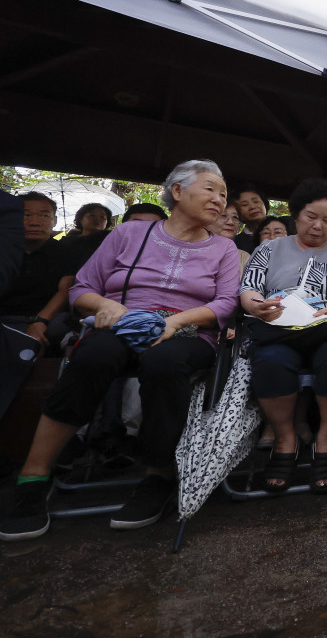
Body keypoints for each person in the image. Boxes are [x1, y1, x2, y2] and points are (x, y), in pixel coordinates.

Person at [0, 160, 240, 541]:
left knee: (165, 362)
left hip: (187, 333)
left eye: (224, 194)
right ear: (177, 191)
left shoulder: (223, 249)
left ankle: (157, 476)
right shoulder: (129, 233)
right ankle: (33, 476)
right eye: (210, 189)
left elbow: (227, 303)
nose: (219, 199)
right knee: (93, 356)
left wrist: (176, 322)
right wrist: (104, 306)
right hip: (121, 322)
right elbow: (82, 287)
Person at [240, 179, 327, 493]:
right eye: (311, 216)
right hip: (278, 330)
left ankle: (326, 439)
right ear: (296, 215)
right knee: (271, 362)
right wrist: (258, 306)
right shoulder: (270, 247)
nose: (318, 226)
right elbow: (249, 287)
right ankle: (285, 440)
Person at [1, 193, 74, 348]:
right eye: (26, 215)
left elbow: (65, 290)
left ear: (54, 221)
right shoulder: (5, 249)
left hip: (47, 318)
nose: (34, 222)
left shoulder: (67, 252)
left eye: (44, 215)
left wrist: (40, 321)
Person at [231, 183, 271, 253]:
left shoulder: (286, 228)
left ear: (264, 203)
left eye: (256, 201)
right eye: (244, 205)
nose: (252, 207)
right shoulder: (236, 243)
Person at [212, 203, 251, 271]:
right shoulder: (193, 250)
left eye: (235, 217)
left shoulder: (244, 257)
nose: (230, 222)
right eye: (223, 215)